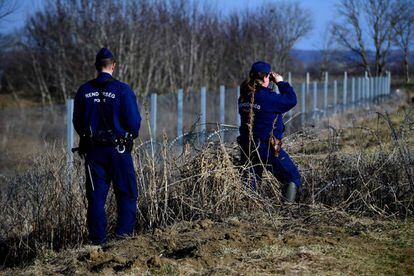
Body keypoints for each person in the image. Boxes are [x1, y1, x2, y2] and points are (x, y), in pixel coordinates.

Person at [73, 48, 142, 245]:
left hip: (94, 152)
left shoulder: (84, 91)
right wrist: (129, 136)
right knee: (127, 193)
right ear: (113, 65)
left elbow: (77, 121)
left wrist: (87, 137)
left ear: (96, 66)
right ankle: (123, 238)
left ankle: (98, 241)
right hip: (118, 150)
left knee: (95, 197)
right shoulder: (122, 90)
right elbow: (134, 121)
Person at [238, 61, 300, 202]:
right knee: (292, 177)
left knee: (251, 185)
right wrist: (280, 82)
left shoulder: (243, 97)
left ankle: (247, 213)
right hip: (268, 148)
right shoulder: (268, 98)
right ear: (267, 77)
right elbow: (291, 100)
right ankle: (287, 213)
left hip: (247, 147)